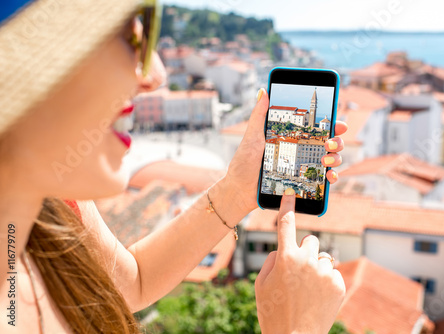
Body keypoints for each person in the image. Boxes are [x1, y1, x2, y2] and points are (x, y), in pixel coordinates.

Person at [0, 0, 347, 333]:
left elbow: (134, 282)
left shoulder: (56, 202)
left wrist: (239, 188)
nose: (157, 76)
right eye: (130, 35)